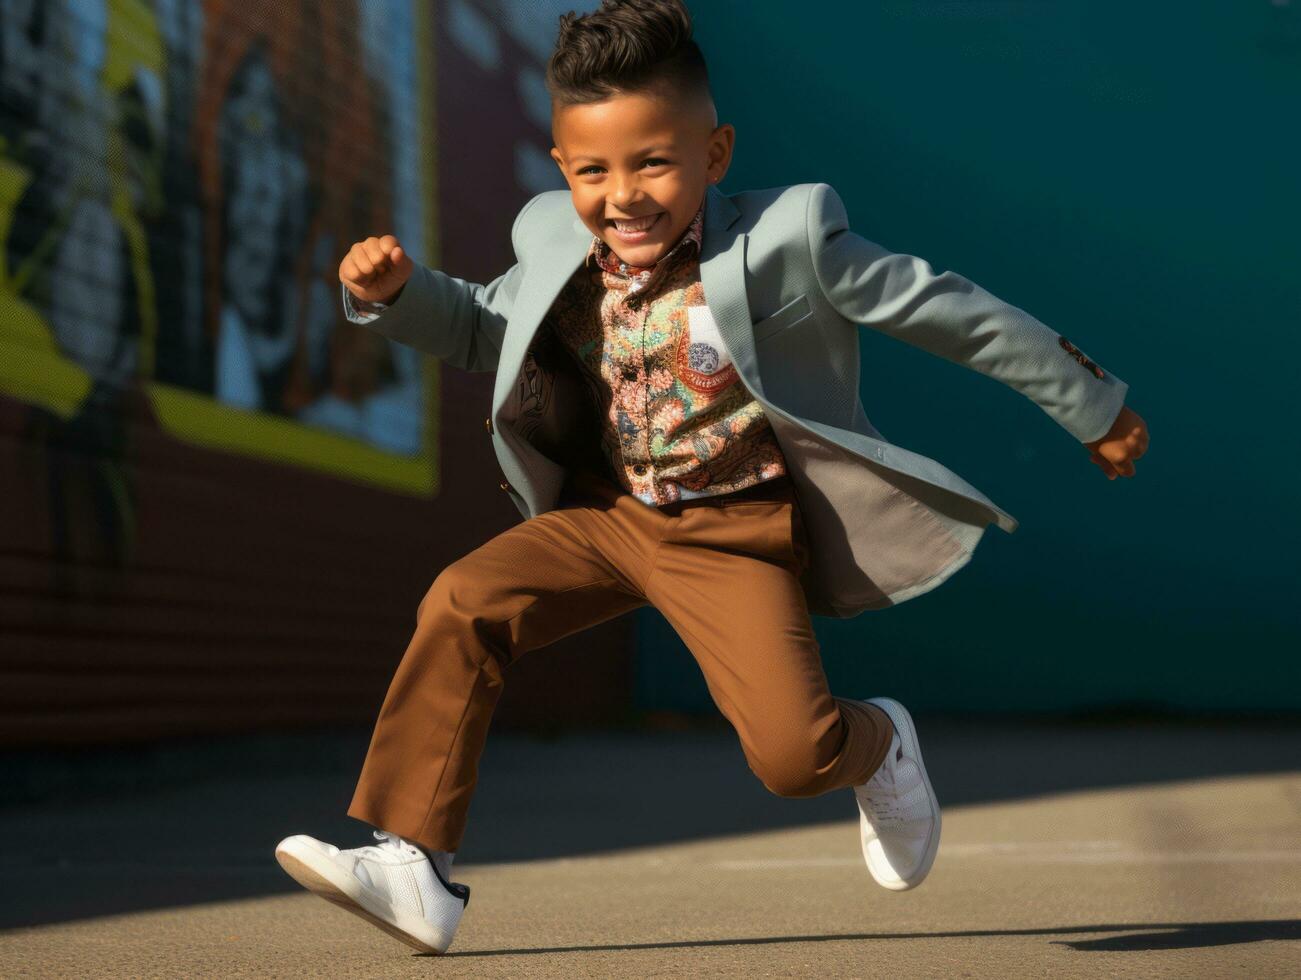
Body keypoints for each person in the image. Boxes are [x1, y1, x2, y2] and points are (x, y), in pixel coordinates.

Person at [274, 0, 1150, 955]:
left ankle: (877, 743)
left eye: (653, 162)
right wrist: (395, 297)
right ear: (561, 168)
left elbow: (946, 309)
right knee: (463, 601)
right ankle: (414, 866)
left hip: (732, 526)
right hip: (608, 516)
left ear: (714, 153)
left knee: (791, 756)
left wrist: (1089, 402)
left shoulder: (787, 238)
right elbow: (486, 326)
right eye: (593, 171)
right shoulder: (554, 242)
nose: (624, 195)